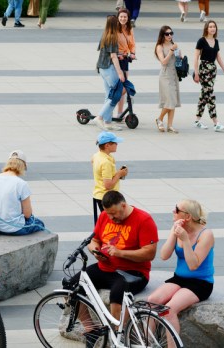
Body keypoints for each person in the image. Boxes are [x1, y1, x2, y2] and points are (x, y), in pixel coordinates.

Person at [82, 190, 158, 320]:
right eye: (108, 213)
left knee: (117, 296)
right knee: (72, 287)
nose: (111, 218)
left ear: (123, 205)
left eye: (113, 213)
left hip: (133, 272)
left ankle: (119, 336)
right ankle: (90, 330)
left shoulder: (143, 219)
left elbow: (149, 253)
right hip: (105, 268)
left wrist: (120, 253)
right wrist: (95, 251)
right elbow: (94, 240)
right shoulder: (104, 216)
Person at [147, 199, 214, 335]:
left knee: (169, 309)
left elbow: (193, 265)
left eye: (177, 210)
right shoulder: (178, 228)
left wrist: (185, 240)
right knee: (152, 301)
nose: (173, 211)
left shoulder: (206, 235)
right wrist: (173, 233)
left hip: (201, 283)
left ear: (188, 216)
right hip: (179, 278)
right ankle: (146, 342)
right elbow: (164, 255)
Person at [0, 150, 45, 235]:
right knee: (39, 223)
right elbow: (27, 214)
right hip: (14, 229)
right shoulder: (21, 184)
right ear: (23, 166)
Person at [193, 20, 224, 132]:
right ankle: (216, 123)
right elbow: (196, 58)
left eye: (214, 27)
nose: (213, 28)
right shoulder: (201, 41)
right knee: (210, 95)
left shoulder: (216, 41)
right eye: (210, 27)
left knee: (204, 96)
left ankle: (197, 121)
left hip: (213, 70)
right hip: (204, 70)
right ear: (206, 29)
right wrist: (196, 73)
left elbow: (218, 57)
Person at [95, 15, 126, 132]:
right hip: (109, 68)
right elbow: (113, 56)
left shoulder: (105, 34)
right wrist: (120, 73)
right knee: (117, 93)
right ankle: (100, 117)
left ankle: (108, 122)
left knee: (109, 95)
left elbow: (106, 52)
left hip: (102, 68)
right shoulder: (113, 36)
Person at [91, 131, 128, 225]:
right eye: (115, 143)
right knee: (111, 223)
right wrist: (119, 175)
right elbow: (108, 185)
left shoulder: (97, 155)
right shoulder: (106, 162)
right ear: (107, 145)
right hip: (107, 197)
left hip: (98, 194)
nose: (117, 144)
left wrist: (116, 174)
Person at [155, 25, 181, 134]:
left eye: (171, 33)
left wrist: (180, 55)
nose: (170, 35)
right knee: (170, 100)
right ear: (162, 35)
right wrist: (171, 50)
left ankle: (170, 125)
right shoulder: (159, 47)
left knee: (173, 101)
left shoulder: (174, 45)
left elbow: (178, 59)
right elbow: (163, 62)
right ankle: (160, 119)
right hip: (165, 75)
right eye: (167, 34)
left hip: (174, 74)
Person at [116, 9, 136, 116]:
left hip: (125, 59)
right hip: (116, 59)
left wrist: (132, 53)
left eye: (125, 17)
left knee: (124, 86)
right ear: (118, 17)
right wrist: (118, 54)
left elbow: (132, 43)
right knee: (118, 86)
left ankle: (120, 112)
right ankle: (109, 104)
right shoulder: (114, 29)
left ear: (128, 18)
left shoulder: (129, 29)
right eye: (121, 17)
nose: (123, 19)